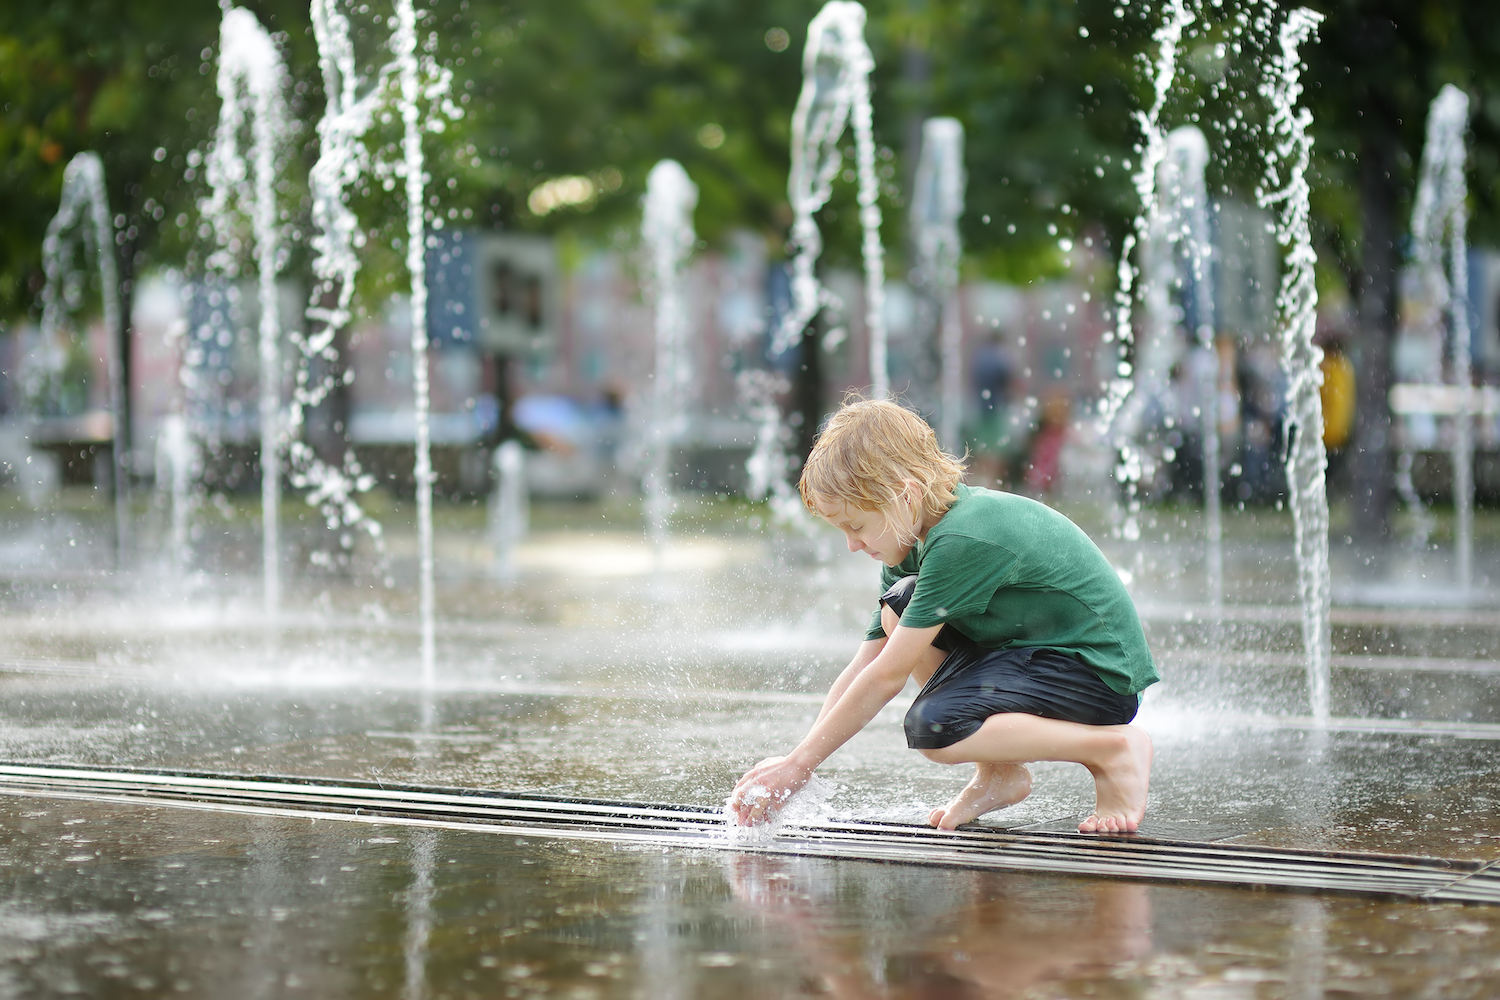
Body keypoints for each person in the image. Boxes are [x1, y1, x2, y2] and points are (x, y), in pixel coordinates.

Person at [728, 398, 1159, 833]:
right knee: (900, 606)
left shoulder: (963, 538)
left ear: (905, 493)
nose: (851, 545)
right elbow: (868, 663)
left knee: (935, 727)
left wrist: (801, 766)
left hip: (1099, 678)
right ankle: (999, 772)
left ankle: (1112, 749)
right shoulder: (908, 542)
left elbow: (886, 677)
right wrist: (796, 759)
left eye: (855, 525)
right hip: (1040, 658)